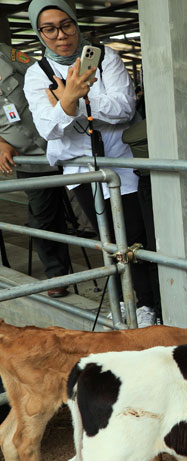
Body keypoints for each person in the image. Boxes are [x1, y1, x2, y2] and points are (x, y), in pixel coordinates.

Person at [23, 0, 157, 327]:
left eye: (66, 24)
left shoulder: (105, 56)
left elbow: (124, 107)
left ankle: (151, 306)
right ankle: (129, 301)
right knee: (109, 240)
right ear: (39, 33)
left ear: (76, 23)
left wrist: (72, 98)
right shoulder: (35, 73)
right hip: (81, 172)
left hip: (122, 167)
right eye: (49, 29)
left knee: (137, 236)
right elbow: (48, 128)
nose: (61, 35)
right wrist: (72, 101)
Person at [0, 42, 70, 298]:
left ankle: (121, 268)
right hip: (30, 159)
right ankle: (57, 274)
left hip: (63, 143)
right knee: (42, 218)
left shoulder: (5, 54)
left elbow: (43, 73)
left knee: (95, 209)